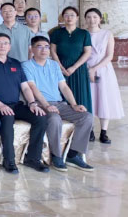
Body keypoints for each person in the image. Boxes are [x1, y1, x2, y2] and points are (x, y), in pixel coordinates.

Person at [0, 34, 49, 174]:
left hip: (16, 104)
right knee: (8, 117)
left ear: (10, 46)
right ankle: (9, 160)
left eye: (5, 43)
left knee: (41, 117)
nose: (2, 46)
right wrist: (0, 105)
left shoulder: (16, 63)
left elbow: (25, 87)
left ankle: (33, 158)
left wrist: (32, 103)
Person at [23, 36, 94, 172]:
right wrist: (46, 105)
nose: (44, 50)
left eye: (47, 47)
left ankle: (72, 154)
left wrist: (74, 104)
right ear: (32, 49)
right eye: (39, 46)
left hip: (59, 103)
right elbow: (32, 87)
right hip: (40, 104)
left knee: (87, 117)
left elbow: (64, 86)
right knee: (54, 119)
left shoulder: (54, 65)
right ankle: (57, 156)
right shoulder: (26, 65)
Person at [85, 8, 124, 144]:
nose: (92, 20)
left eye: (95, 17)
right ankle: (89, 130)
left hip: (103, 69)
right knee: (89, 98)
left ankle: (103, 132)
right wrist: (88, 69)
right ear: (85, 19)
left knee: (103, 99)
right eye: (89, 17)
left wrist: (94, 68)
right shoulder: (83, 34)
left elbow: (109, 55)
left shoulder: (107, 34)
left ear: (100, 19)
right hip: (86, 69)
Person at [50, 6, 93, 114]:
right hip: (60, 68)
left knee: (81, 94)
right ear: (62, 17)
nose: (69, 18)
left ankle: (85, 120)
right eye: (66, 15)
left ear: (77, 17)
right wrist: (59, 66)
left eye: (72, 15)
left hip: (79, 68)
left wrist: (74, 67)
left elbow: (87, 52)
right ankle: (63, 121)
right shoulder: (56, 33)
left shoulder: (84, 33)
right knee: (62, 93)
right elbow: (52, 51)